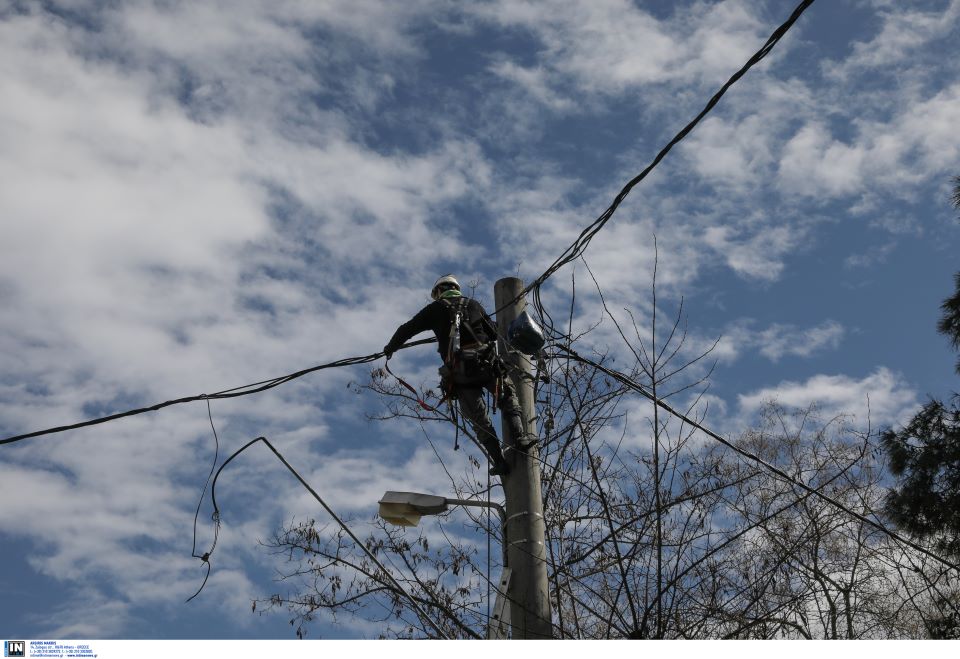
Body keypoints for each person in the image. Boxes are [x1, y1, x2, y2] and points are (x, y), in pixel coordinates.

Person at [383, 275, 527, 476]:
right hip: (486, 364)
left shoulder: (435, 309)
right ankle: (521, 437)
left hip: (459, 373)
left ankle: (499, 462)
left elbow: (407, 329)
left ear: (439, 292)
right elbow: (494, 333)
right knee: (508, 398)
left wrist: (390, 348)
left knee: (479, 420)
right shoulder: (473, 305)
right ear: (456, 289)